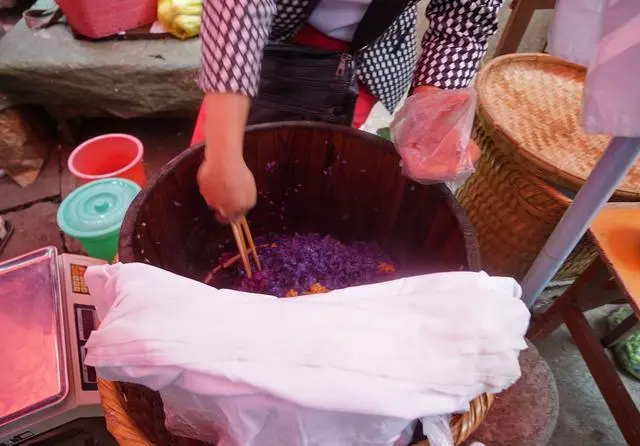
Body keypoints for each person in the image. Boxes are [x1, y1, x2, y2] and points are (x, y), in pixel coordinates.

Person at [196, 0, 504, 222]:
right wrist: (223, 155)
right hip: (258, 41)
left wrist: (434, 112)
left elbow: (463, 19)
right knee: (218, 185)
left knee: (315, 179)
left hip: (370, 46)